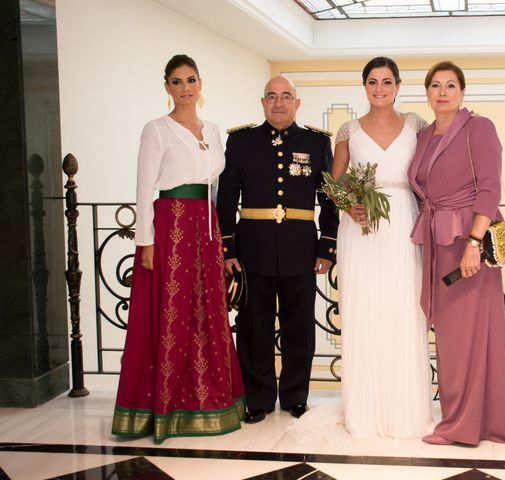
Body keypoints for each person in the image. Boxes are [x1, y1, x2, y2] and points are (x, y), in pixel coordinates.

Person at [112, 54, 245, 443]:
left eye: (190, 80)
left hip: (206, 227)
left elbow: (217, 187)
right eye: (176, 82)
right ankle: (166, 406)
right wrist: (146, 241)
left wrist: (220, 236)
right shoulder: (156, 129)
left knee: (207, 309)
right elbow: (143, 189)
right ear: (167, 87)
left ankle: (208, 398)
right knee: (173, 311)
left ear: (200, 83)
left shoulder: (214, 130)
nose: (185, 88)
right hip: (170, 225)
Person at [408, 60, 505, 445]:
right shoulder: (424, 136)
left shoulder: (478, 127)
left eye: (451, 85)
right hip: (439, 244)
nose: (443, 92)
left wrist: (474, 244)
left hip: (468, 244)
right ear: (428, 93)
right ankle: (466, 415)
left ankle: (463, 425)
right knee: (451, 338)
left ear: (462, 92)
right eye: (435, 85)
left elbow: (489, 188)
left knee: (467, 336)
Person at [216, 75, 339, 424]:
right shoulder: (241, 142)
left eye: (286, 96)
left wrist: (326, 245)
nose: (279, 102)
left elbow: (328, 199)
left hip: (301, 249)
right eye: (272, 96)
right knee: (254, 326)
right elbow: (226, 199)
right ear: (263, 102)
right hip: (252, 250)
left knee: (299, 325)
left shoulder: (315, 143)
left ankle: (296, 396)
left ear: (297, 103)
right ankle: (258, 398)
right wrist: (228, 248)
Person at [332, 57, 434, 439]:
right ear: (364, 86)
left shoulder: (417, 125)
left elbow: (430, 174)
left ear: (397, 85)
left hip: (405, 227)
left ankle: (406, 412)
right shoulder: (347, 131)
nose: (380, 89)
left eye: (387, 82)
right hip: (362, 232)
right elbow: (335, 182)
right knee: (365, 312)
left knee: (406, 311)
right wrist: (349, 205)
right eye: (372, 82)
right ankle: (365, 414)